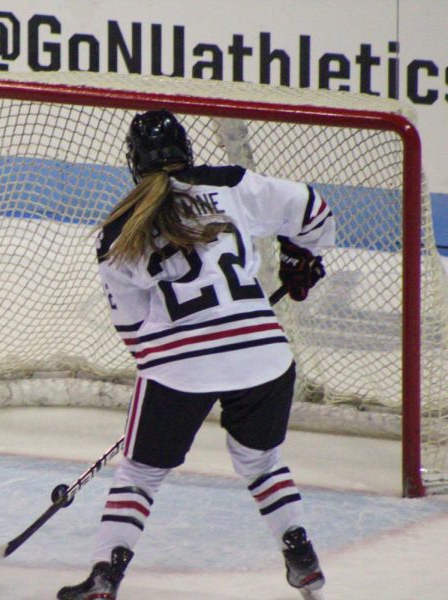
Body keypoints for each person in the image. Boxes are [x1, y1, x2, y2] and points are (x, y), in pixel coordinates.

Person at [57, 111, 333, 600]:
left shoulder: (118, 230)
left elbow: (133, 331)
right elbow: (313, 210)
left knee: (141, 472)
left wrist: (176, 377)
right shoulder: (230, 185)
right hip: (263, 352)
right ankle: (302, 558)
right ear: (188, 150)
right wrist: (301, 258)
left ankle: (104, 578)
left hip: (177, 365)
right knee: (262, 462)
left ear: (133, 163)